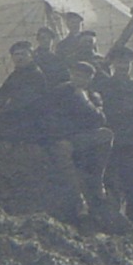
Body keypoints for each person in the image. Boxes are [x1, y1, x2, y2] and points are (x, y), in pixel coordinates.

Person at [48, 60, 122, 230]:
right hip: (62, 138)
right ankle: (78, 199)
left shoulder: (92, 96)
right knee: (63, 151)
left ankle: (97, 181)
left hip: (82, 138)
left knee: (106, 134)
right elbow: (50, 117)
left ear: (89, 79)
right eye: (75, 74)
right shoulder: (59, 92)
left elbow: (99, 119)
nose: (77, 79)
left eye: (82, 76)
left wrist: (84, 100)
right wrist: (61, 134)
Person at [96, 46, 133, 228]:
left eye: (126, 63)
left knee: (131, 185)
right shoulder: (104, 86)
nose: (123, 66)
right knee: (111, 183)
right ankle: (116, 224)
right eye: (119, 62)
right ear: (112, 63)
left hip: (132, 144)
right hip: (111, 143)